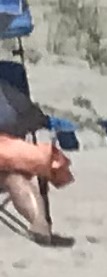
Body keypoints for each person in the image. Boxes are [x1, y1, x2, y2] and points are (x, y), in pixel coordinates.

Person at [0, 60, 73, 247]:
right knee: (13, 177)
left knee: (14, 178)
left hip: (6, 161)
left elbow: (33, 117)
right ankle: (40, 223)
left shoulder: (7, 93)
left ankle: (40, 224)